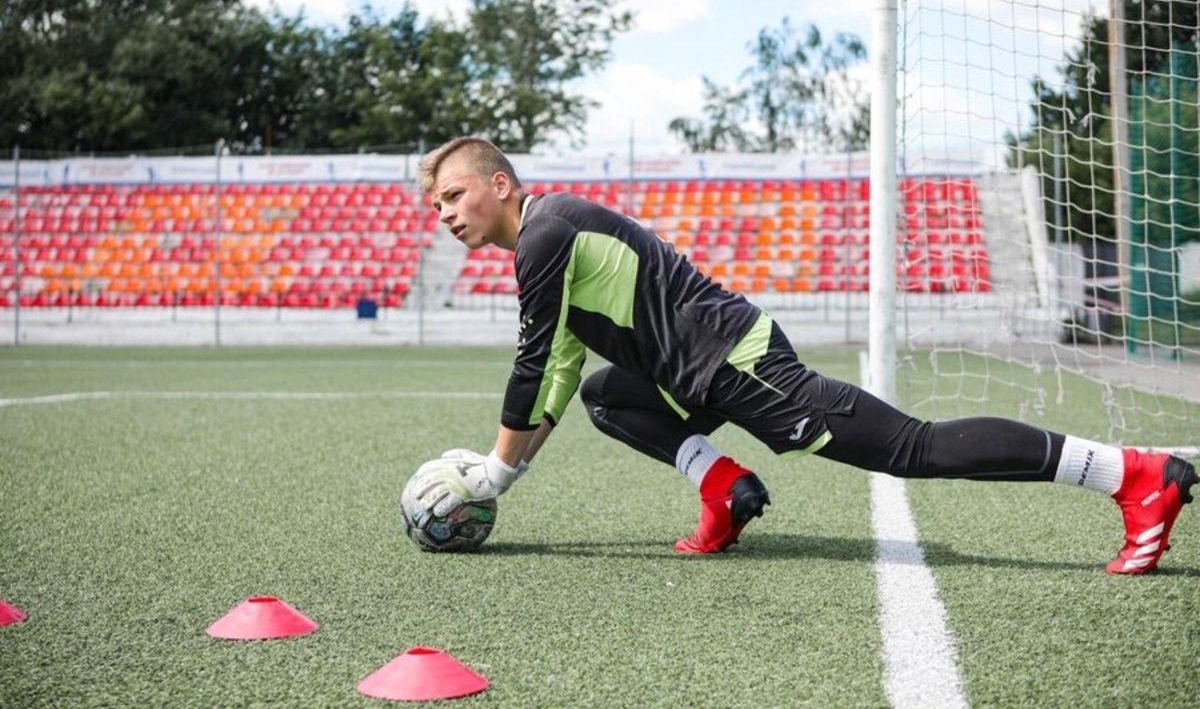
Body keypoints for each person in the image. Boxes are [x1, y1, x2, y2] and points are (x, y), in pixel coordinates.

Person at [413, 137, 1197, 574]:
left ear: (501, 183)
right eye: (437, 204)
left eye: (454, 194)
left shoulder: (545, 232)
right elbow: (558, 367)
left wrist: (500, 470)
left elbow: (531, 359)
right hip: (693, 370)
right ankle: (724, 487)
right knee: (611, 396)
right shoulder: (545, 236)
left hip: (737, 363)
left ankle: (1132, 474)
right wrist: (506, 466)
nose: (446, 213)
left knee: (912, 449)